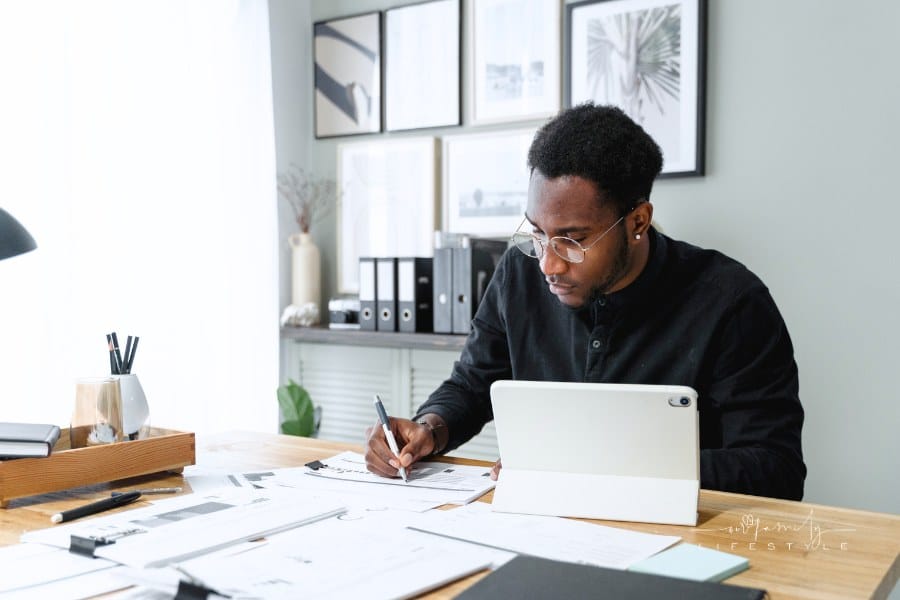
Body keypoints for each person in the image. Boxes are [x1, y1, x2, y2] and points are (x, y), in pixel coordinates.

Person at [365, 103, 806, 500]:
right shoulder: (518, 273)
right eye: (537, 234)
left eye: (572, 241)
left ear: (638, 221)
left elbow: (775, 469)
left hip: (685, 538)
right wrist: (429, 428)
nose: (548, 266)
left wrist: (595, 469)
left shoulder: (732, 303)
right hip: (545, 526)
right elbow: (472, 385)